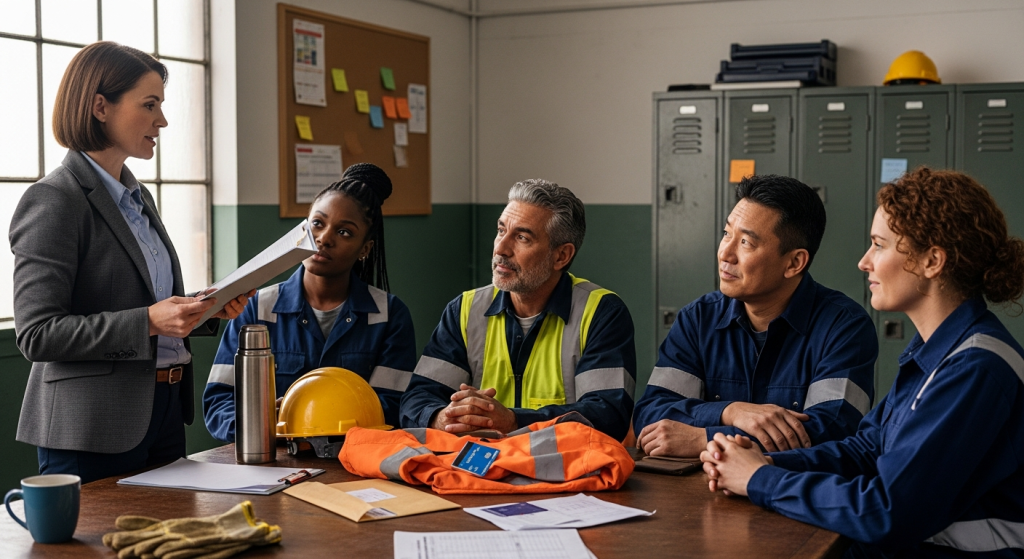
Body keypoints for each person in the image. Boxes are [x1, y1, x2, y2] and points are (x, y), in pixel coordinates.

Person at [702, 167, 1024, 557]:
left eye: (879, 245)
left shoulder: (976, 369)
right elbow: (866, 451)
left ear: (932, 261)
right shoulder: (939, 352)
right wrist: (766, 461)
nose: (864, 262)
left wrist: (760, 479)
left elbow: (887, 511)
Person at [9, 42, 252, 483]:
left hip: (163, 412)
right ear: (100, 106)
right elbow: (37, 333)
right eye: (150, 104)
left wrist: (204, 308)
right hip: (91, 428)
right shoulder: (53, 199)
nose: (162, 120)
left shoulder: (138, 197)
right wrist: (150, 322)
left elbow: (146, 300)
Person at [633, 174, 877, 457]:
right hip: (700, 492)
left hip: (789, 494)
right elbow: (651, 417)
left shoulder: (844, 327)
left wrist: (704, 439)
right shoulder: (698, 320)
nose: (726, 253)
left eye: (746, 242)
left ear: (794, 262)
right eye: (727, 234)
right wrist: (730, 411)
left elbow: (831, 431)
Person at [399, 179, 636, 440]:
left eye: (522, 237)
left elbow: (608, 416)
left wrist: (513, 422)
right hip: (478, 469)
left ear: (561, 256)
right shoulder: (465, 309)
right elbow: (417, 399)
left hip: (566, 474)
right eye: (501, 231)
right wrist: (442, 418)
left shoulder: (601, 312)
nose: (501, 248)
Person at [203, 163, 416, 441]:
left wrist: (313, 424)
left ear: (365, 249)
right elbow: (219, 402)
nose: (324, 238)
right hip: (270, 462)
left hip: (352, 464)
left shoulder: (389, 315)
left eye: (344, 232)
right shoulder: (256, 309)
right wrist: (263, 425)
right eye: (317, 223)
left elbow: (391, 406)